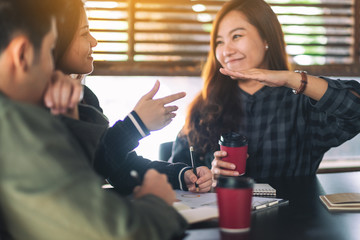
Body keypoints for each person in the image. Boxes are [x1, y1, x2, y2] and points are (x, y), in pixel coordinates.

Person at [0, 0, 187, 239]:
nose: (52, 66)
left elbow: (83, 177)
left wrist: (68, 118)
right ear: (23, 54)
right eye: (49, 49)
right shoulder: (16, 125)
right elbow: (112, 231)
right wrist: (157, 203)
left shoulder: (71, 102)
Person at [169, 0, 360, 179]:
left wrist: (289, 77)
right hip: (225, 212)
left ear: (266, 38)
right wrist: (208, 179)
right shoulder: (205, 106)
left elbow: (355, 110)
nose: (226, 51)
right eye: (219, 42)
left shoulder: (301, 101)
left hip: (294, 214)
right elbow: (177, 175)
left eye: (236, 36)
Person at [43, 0, 212, 194]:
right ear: (55, 40)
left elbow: (119, 168)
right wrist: (137, 124)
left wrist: (181, 176)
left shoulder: (86, 98)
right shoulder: (34, 108)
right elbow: (88, 168)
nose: (94, 41)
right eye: (83, 33)